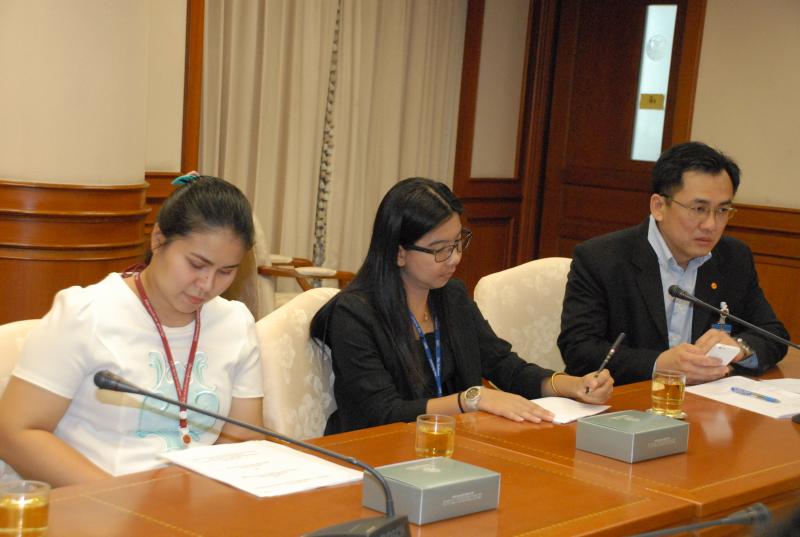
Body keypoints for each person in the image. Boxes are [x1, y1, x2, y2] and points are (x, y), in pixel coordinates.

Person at [0, 174, 265, 486]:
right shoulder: (87, 314)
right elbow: (14, 433)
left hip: (194, 506)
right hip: (99, 501)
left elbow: (244, 440)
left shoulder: (234, 323)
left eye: (226, 271)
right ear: (158, 239)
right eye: (196, 264)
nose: (207, 285)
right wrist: (118, 500)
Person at [311, 177, 613, 434]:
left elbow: (506, 367)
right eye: (440, 250)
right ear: (399, 253)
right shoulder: (354, 314)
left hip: (452, 444)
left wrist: (572, 386)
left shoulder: (451, 297)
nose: (455, 258)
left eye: (458, 243)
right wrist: (470, 399)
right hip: (379, 453)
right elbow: (381, 413)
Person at [558, 141, 789, 385]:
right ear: (659, 207)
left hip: (706, 399)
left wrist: (740, 347)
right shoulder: (600, 259)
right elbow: (579, 350)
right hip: (627, 398)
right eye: (698, 208)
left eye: (722, 210)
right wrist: (658, 364)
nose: (711, 225)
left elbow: (774, 334)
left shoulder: (734, 257)